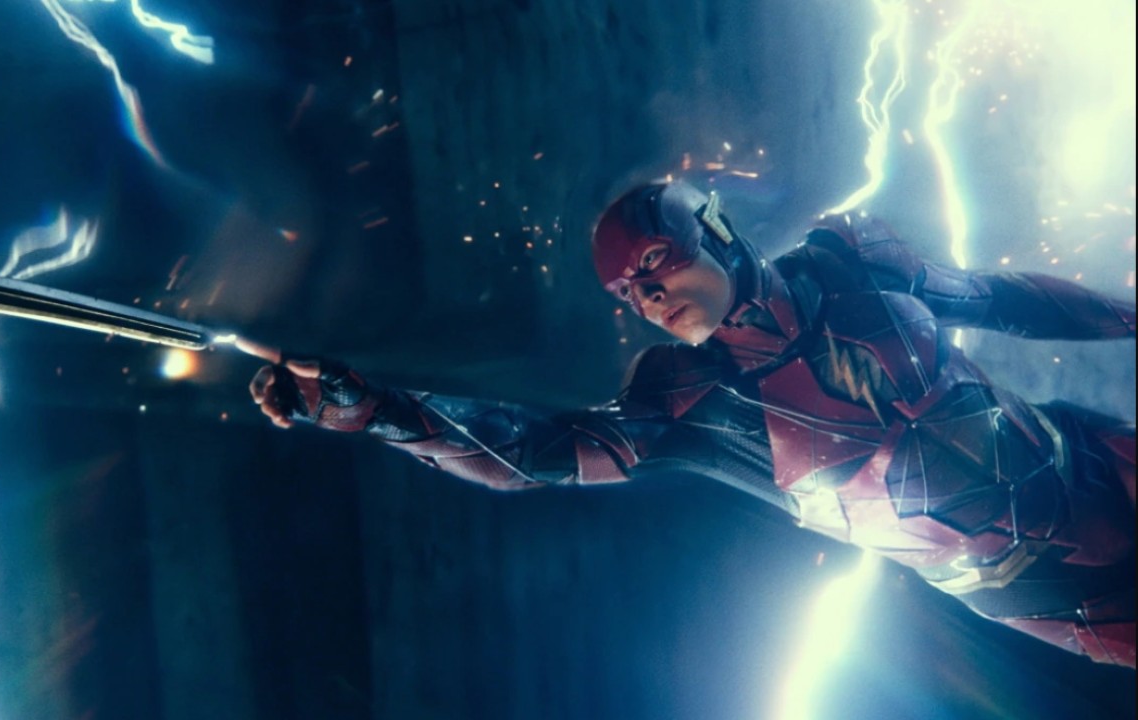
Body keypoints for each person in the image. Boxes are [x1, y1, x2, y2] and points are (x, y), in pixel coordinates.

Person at [242, 179, 1137, 667]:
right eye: (629, 293)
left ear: (712, 228)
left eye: (657, 265)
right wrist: (371, 408)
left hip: (1099, 456)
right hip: (1066, 597)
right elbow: (527, 456)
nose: (650, 297)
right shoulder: (687, 400)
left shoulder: (850, 259)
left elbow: (1000, 299)